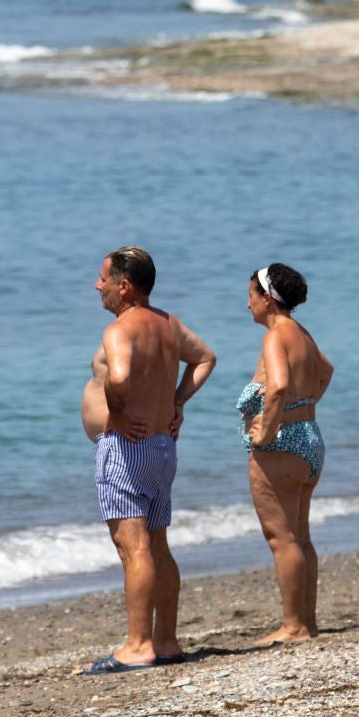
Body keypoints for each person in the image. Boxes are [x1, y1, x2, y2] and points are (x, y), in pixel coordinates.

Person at [80, 246, 217, 674]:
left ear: (125, 285)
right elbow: (205, 358)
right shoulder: (167, 323)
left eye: (103, 278)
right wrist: (177, 403)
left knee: (133, 547)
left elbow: (119, 377)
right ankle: (166, 640)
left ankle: (138, 645)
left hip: (126, 450)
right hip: (160, 446)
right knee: (157, 544)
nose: (97, 285)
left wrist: (116, 413)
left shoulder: (120, 330)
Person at [238, 262, 334, 645]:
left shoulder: (276, 336)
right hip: (309, 438)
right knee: (300, 536)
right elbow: (325, 371)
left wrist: (268, 428)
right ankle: (306, 622)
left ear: (267, 298)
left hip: (282, 445)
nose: (248, 306)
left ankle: (293, 626)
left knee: (281, 537)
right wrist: (304, 408)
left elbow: (276, 386)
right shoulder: (302, 334)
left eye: (250, 297)